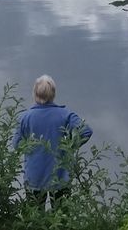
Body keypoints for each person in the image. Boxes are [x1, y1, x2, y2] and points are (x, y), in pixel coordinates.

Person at [12, 74, 92, 207]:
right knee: (62, 217)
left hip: (34, 177)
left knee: (35, 219)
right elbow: (86, 131)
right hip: (60, 177)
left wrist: (31, 149)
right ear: (53, 94)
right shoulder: (65, 114)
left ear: (35, 94)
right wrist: (71, 146)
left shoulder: (25, 117)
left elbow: (16, 145)